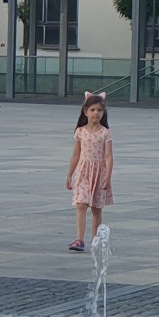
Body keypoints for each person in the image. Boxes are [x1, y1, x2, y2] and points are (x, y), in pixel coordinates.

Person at [66, 92, 114, 252]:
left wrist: (107, 177)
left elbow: (108, 157)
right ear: (85, 111)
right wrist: (69, 174)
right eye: (92, 110)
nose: (96, 113)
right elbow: (75, 154)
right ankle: (79, 239)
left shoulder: (105, 133)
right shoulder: (80, 132)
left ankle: (96, 240)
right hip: (83, 172)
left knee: (96, 208)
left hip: (99, 173)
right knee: (81, 204)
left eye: (99, 110)